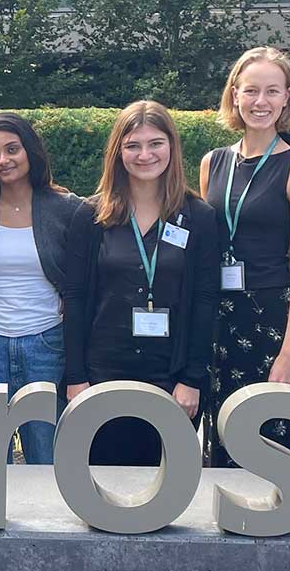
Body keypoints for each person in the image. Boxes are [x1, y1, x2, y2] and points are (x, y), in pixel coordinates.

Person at [63, 101, 221, 465]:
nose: (144, 154)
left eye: (156, 143)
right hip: (103, 373)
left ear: (172, 147)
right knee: (102, 488)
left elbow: (204, 300)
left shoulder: (198, 217)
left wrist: (193, 379)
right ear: (118, 152)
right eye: (133, 145)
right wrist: (75, 377)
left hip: (170, 376)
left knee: (162, 493)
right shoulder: (91, 216)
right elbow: (75, 299)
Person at [199, 46, 290, 468]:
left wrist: (289, 351)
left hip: (272, 318)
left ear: (288, 97)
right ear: (234, 95)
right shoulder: (213, 162)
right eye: (251, 91)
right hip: (220, 320)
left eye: (272, 91)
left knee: (273, 439)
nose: (260, 102)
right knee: (226, 435)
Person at [0, 113, 83, 466]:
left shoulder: (66, 208)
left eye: (12, 149)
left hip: (46, 345)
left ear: (30, 150)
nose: (4, 160)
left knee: (48, 462)